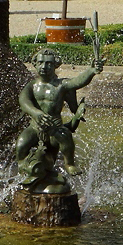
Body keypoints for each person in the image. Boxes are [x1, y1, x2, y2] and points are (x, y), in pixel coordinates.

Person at [15, 47, 104, 194]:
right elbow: (23, 101)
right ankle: (25, 168)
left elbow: (77, 82)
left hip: (54, 128)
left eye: (49, 63)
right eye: (41, 63)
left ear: (55, 65)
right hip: (35, 127)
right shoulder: (32, 86)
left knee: (66, 138)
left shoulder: (61, 85)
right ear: (35, 64)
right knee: (21, 143)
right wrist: (36, 113)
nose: (44, 67)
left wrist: (91, 71)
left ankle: (69, 163)